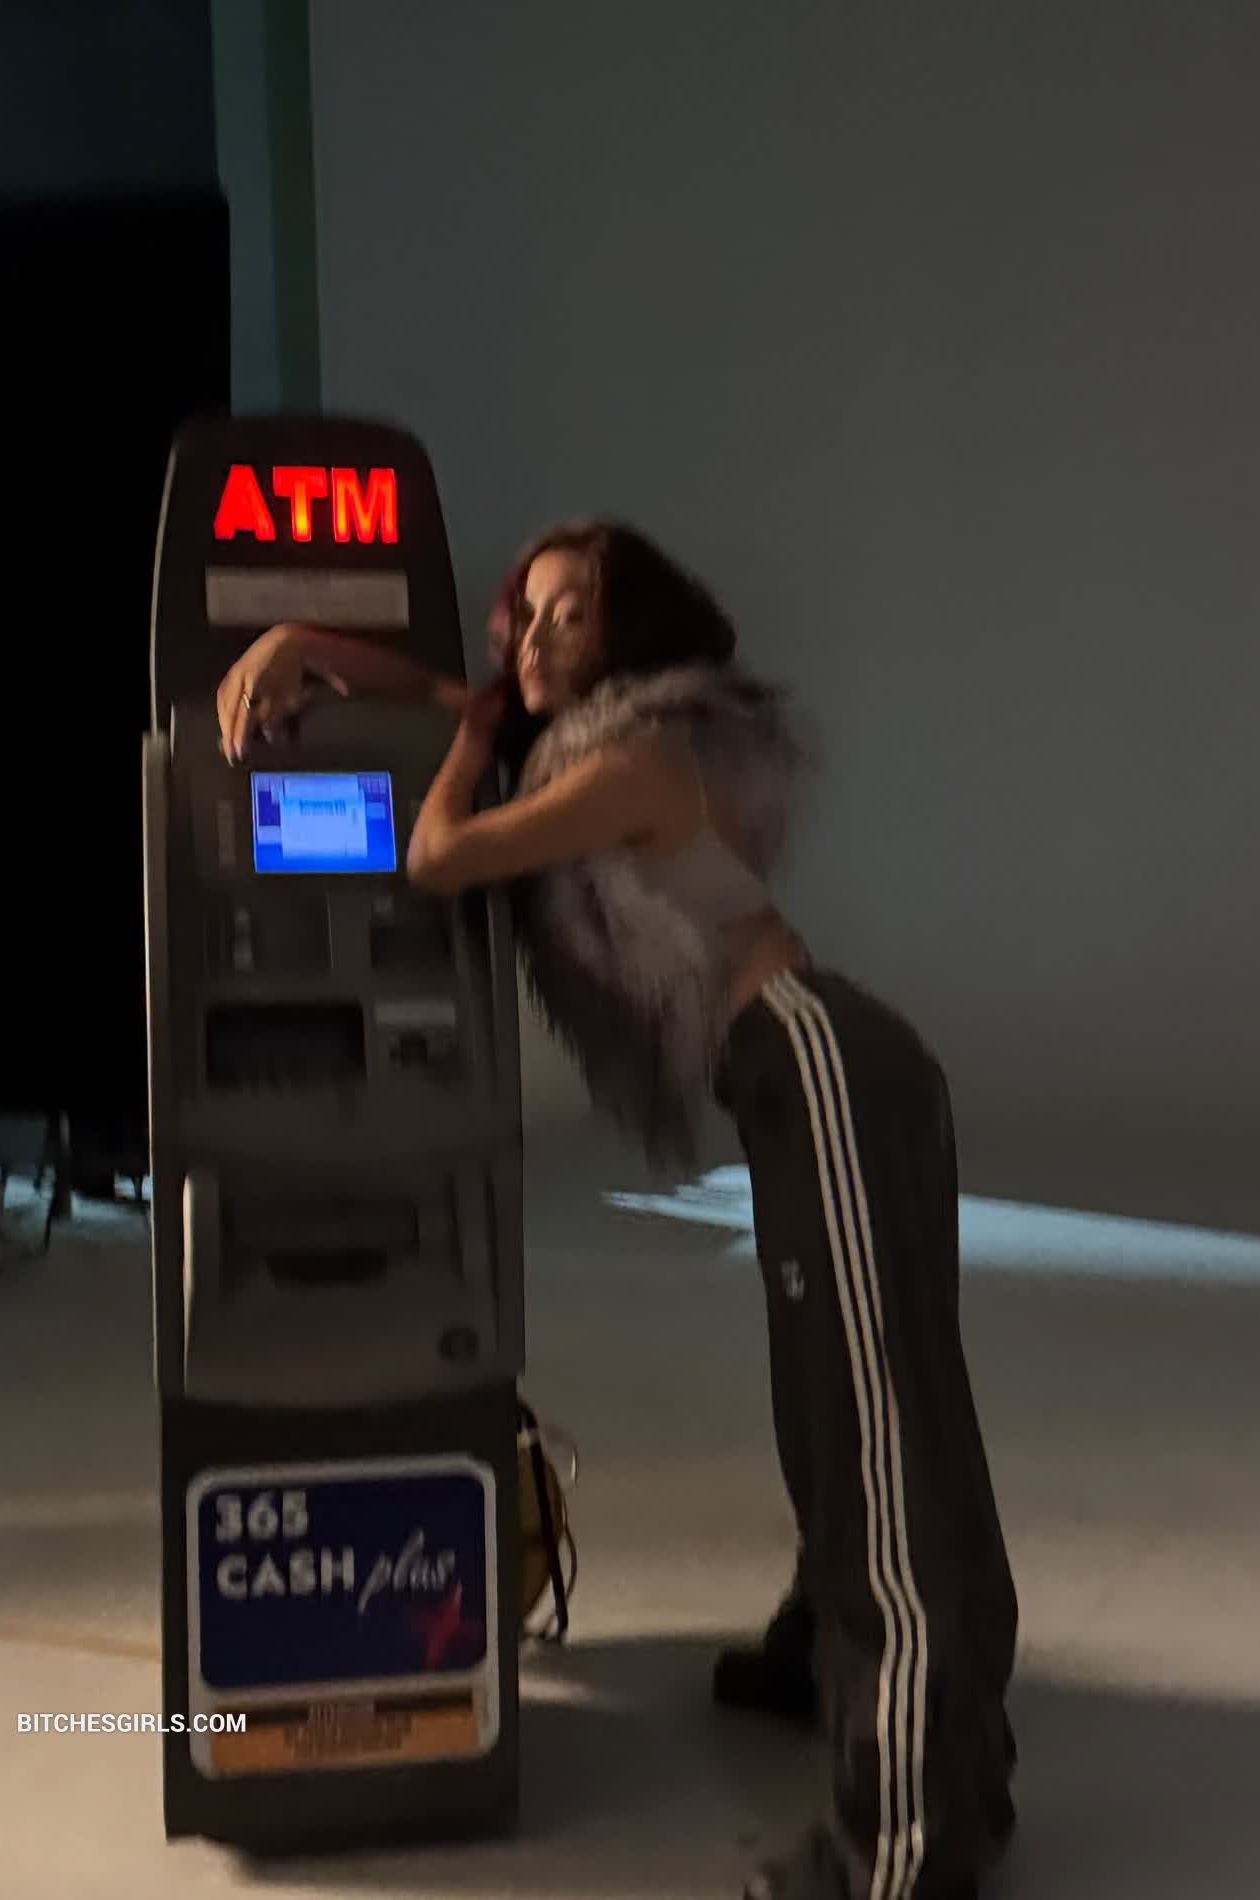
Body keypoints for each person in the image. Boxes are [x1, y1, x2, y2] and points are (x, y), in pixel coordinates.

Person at [216, 523, 1019, 1900]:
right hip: (790, 1079)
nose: (533, 641)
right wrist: (297, 646)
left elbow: (441, 855)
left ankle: (909, 1834)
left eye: (570, 615)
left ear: (628, 631)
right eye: (523, 615)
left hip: (823, 1061)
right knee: (826, 1401)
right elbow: (436, 691)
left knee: (882, 1429)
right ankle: (827, 1655)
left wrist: (472, 731)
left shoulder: (632, 761)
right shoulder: (587, 741)